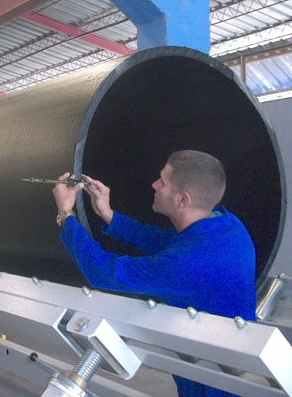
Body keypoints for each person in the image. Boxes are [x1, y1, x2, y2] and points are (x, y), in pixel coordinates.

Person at [52, 150, 256, 397]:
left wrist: (66, 214)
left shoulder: (188, 263)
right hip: (226, 362)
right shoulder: (227, 225)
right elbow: (164, 241)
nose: (154, 184)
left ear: (182, 199)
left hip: (212, 384)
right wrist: (108, 214)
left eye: (163, 182)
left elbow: (103, 271)